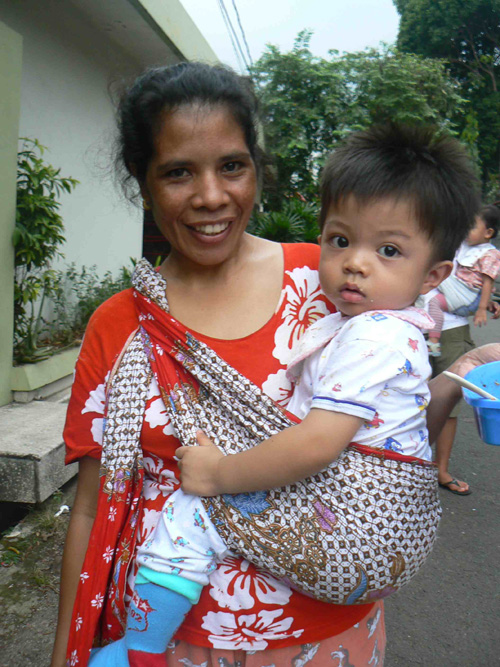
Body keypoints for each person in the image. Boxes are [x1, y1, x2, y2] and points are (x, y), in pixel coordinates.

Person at [50, 62, 500, 667]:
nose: (212, 196)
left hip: (328, 635)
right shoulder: (121, 324)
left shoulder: (333, 277)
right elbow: (90, 505)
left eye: (231, 166)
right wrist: (67, 653)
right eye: (178, 172)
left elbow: (392, 427)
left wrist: (462, 371)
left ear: (256, 169)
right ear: (142, 180)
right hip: (174, 642)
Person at [427, 204, 500, 357]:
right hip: (420, 323)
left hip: (451, 327)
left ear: (488, 233)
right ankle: (433, 342)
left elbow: (487, 282)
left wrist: (482, 306)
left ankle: (433, 342)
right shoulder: (462, 244)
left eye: (471, 227)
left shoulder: (489, 254)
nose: (466, 230)